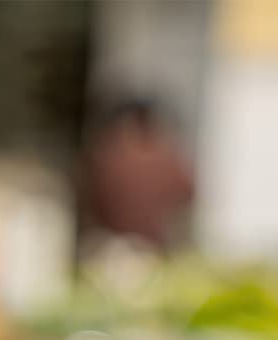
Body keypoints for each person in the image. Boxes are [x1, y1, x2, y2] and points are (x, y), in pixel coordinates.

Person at [80, 96, 195, 253]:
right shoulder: (167, 156)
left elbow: (92, 202)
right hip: (149, 244)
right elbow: (188, 195)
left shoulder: (108, 155)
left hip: (115, 244)